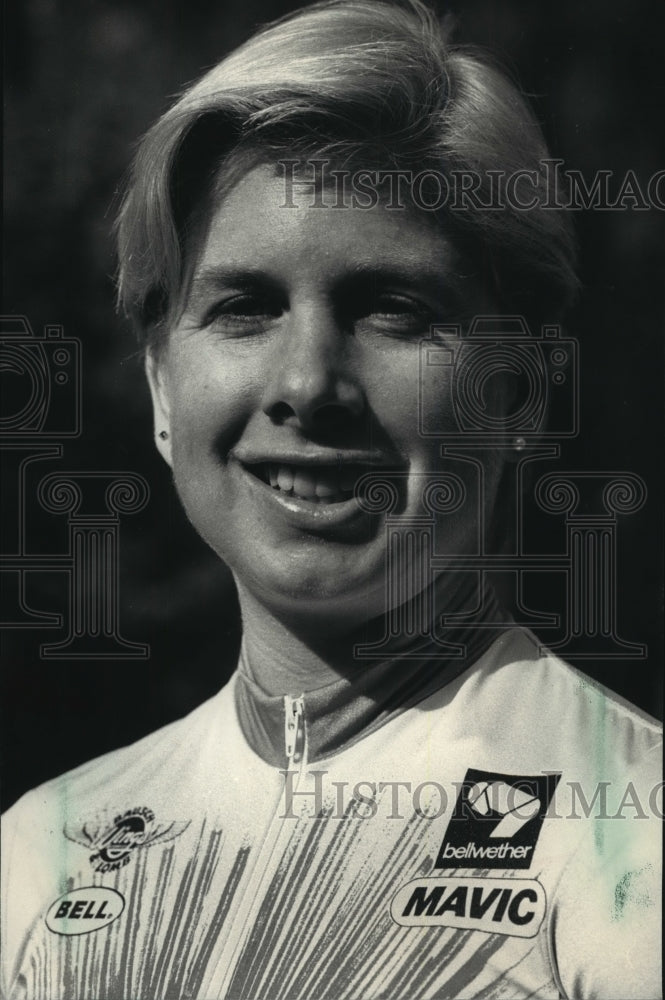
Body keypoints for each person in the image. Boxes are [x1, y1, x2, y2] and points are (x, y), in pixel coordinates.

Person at [1, 1, 661, 998]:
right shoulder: (39, 853)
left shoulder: (629, 837)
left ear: (518, 389)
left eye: (391, 310)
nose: (307, 382)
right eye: (244, 308)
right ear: (160, 392)